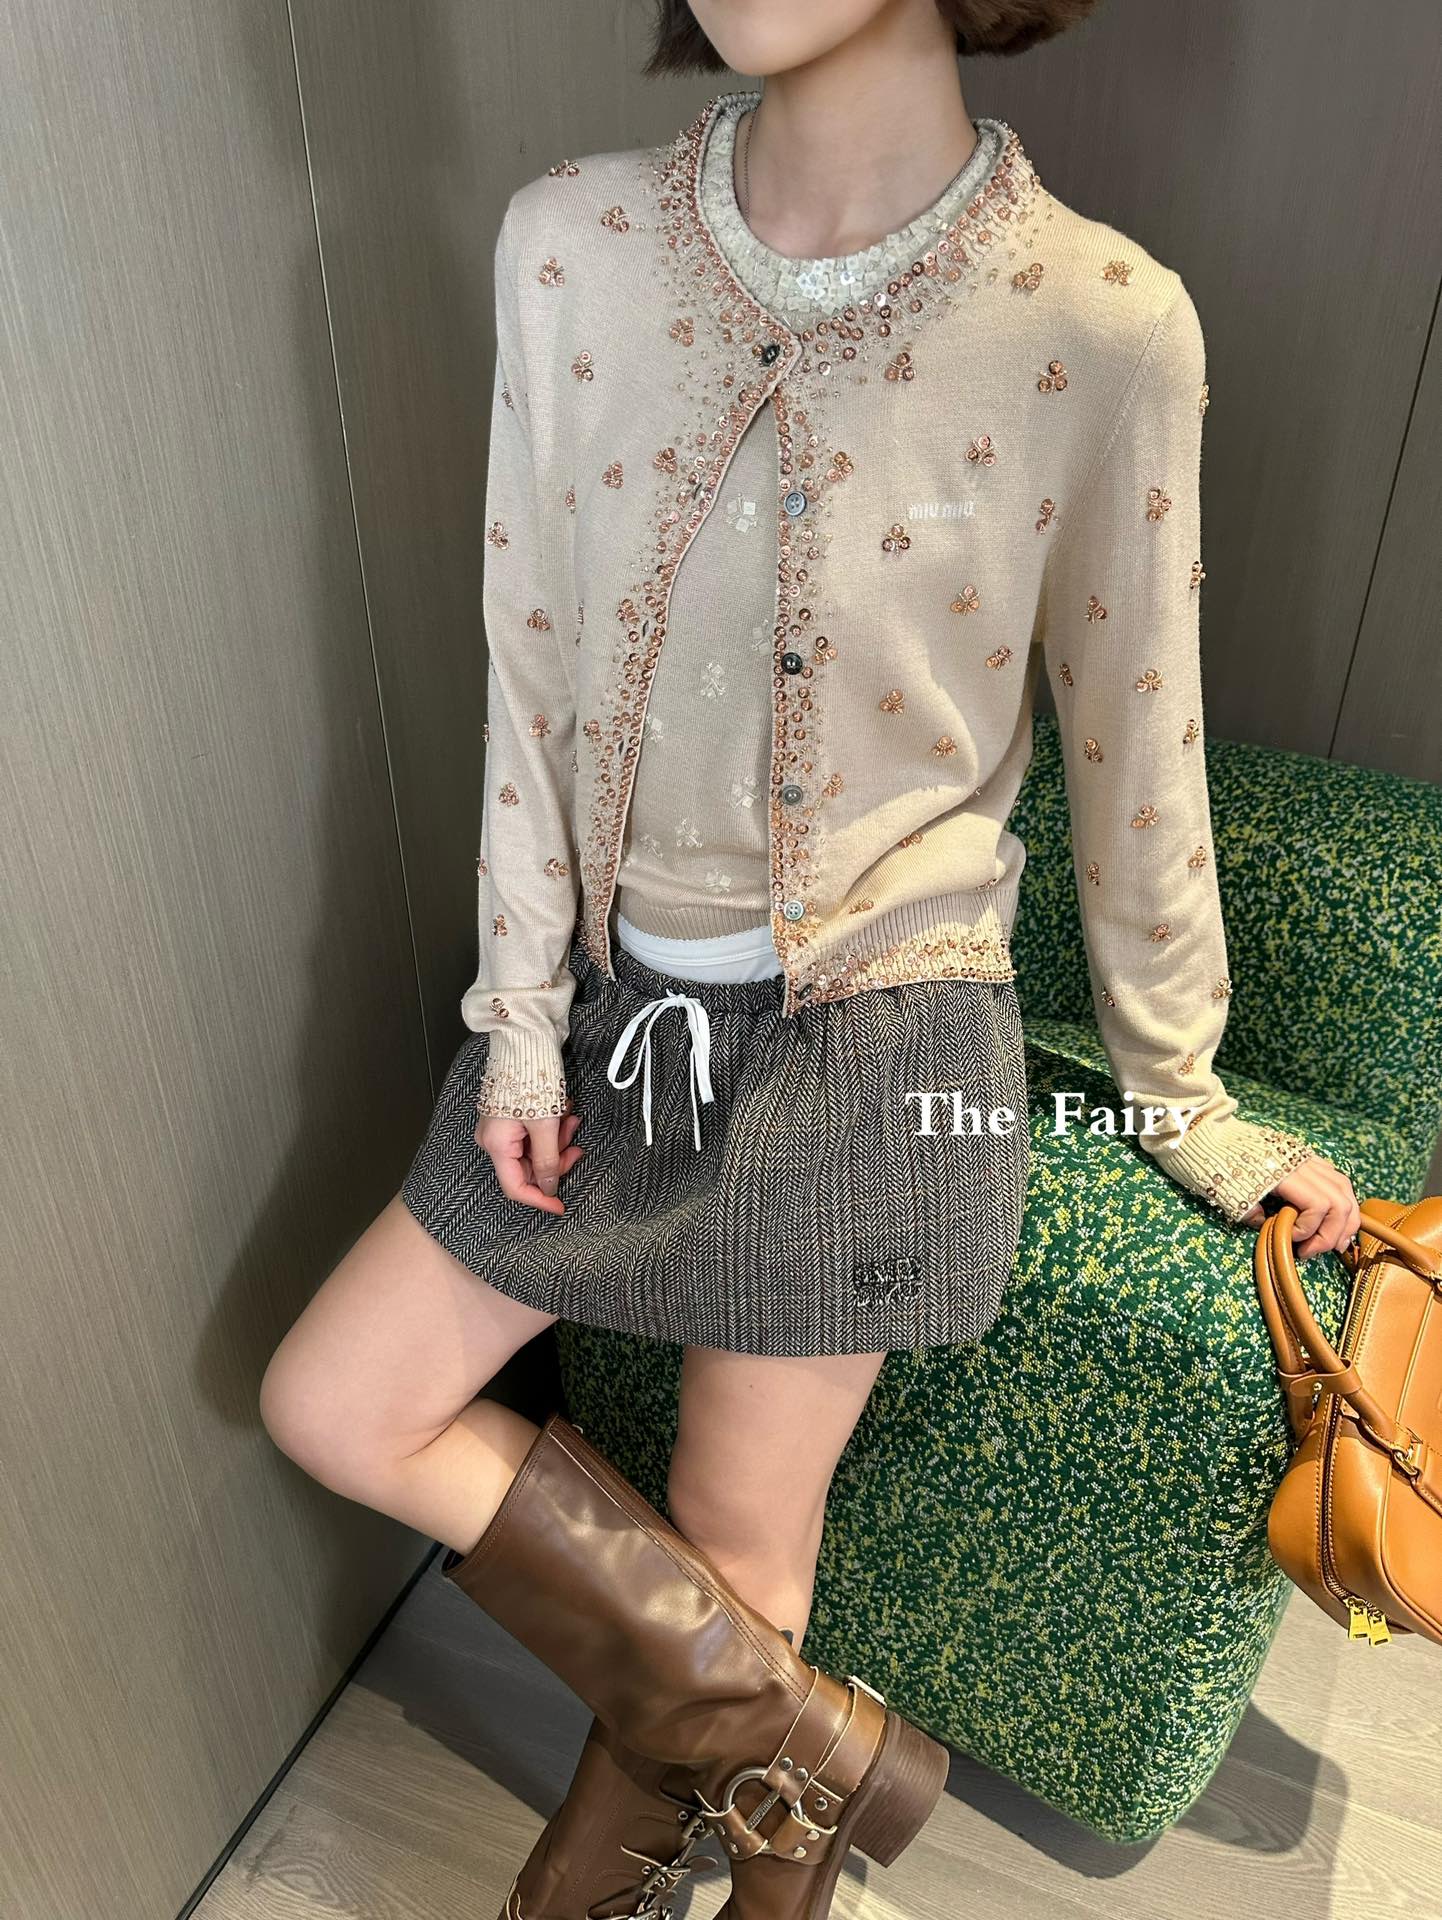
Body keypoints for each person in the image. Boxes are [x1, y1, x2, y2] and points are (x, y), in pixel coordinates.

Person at [260, 3, 1362, 1915]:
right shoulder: (571, 242)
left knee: (736, 1540)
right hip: (619, 1018)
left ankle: (623, 1881)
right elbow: (528, 666)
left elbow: (1137, 739)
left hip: (882, 1040)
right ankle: (815, 1768)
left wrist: (1182, 1098)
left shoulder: (1100, 319)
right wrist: (520, 1019)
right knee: (334, 1400)